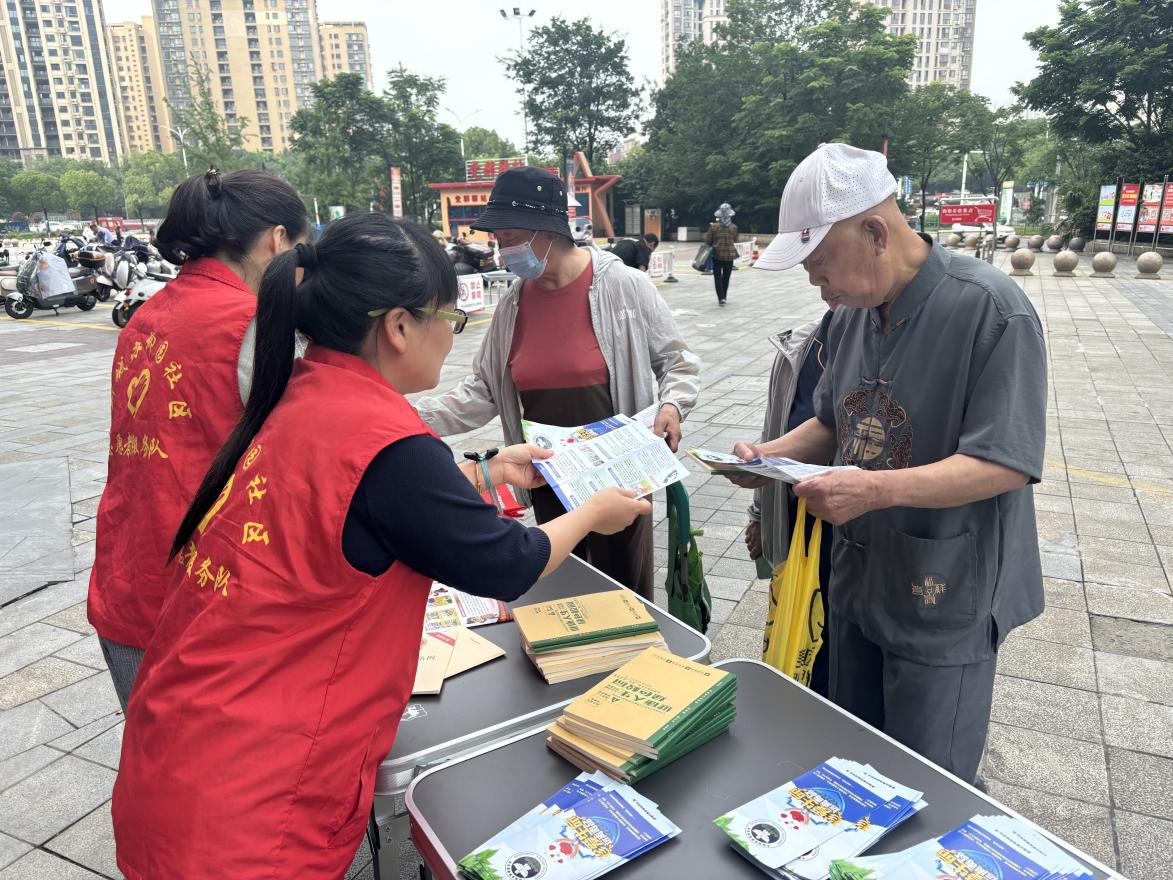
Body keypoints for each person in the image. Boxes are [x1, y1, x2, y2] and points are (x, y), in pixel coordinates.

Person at [111, 213, 648, 879]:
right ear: (398, 326)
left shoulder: (301, 393)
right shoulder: (386, 442)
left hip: (183, 754)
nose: (452, 336)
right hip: (253, 803)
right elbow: (508, 563)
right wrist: (592, 512)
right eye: (450, 320)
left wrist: (484, 473)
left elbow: (356, 501)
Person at [732, 143, 1047, 784]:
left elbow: (1005, 463)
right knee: (853, 762)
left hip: (944, 588)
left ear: (875, 232)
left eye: (819, 263)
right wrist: (769, 457)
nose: (815, 284)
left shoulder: (990, 309)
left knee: (931, 778)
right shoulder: (850, 315)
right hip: (857, 578)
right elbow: (832, 422)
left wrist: (874, 490)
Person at [415, 166, 701, 601]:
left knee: (624, 593)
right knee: (562, 589)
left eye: (511, 238)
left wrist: (672, 405)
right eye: (499, 240)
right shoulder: (512, 305)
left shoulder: (624, 286)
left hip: (618, 475)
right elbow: (483, 391)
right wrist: (407, 417)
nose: (504, 251)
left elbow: (678, 361)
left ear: (549, 231)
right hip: (547, 475)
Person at [87, 169, 310, 712]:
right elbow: (312, 448)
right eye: (301, 251)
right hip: (210, 597)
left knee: (152, 750)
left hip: (128, 576)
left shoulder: (146, 316)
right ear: (278, 240)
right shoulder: (252, 323)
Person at [745, 308, 836, 697]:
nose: (817, 280)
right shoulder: (800, 346)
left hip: (857, 534)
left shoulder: (890, 348)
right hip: (798, 523)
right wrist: (760, 514)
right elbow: (776, 430)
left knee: (836, 657)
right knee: (802, 640)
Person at [704, 203, 738, 306]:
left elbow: (708, 240)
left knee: (717, 277)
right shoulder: (734, 227)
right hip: (730, 256)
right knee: (726, 277)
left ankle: (721, 298)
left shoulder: (714, 227)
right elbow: (735, 240)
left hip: (717, 255)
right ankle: (724, 296)